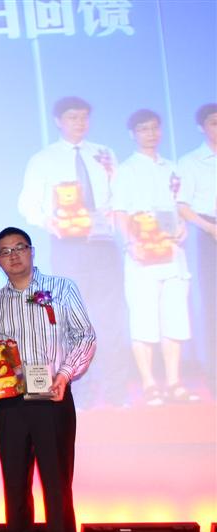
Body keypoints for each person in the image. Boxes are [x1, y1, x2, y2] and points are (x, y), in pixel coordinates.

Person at [0, 227, 96, 532]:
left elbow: (85, 335)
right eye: (5, 251)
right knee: (15, 481)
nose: (14, 255)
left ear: (32, 251)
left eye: (20, 247)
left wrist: (65, 374)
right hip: (11, 403)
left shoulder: (61, 288)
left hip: (53, 398)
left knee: (57, 481)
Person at [17, 95, 127, 407]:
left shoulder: (104, 154)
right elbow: (27, 203)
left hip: (103, 245)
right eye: (72, 117)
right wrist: (49, 221)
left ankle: (117, 391)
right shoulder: (44, 159)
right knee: (75, 320)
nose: (79, 123)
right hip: (69, 246)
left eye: (83, 117)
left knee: (112, 317)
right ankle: (84, 392)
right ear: (58, 121)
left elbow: (119, 195)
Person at [113, 109, 198, 405]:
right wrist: (130, 243)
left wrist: (183, 226)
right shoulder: (127, 170)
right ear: (133, 134)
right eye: (143, 129)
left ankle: (174, 382)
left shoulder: (173, 167)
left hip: (172, 254)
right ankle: (149, 383)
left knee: (175, 318)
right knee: (144, 319)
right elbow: (120, 211)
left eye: (154, 128)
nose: (150, 134)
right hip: (141, 255)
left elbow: (180, 206)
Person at [176, 103, 217, 396]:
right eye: (214, 122)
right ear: (201, 127)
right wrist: (210, 228)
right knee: (213, 304)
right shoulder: (191, 162)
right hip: (209, 232)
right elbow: (183, 206)